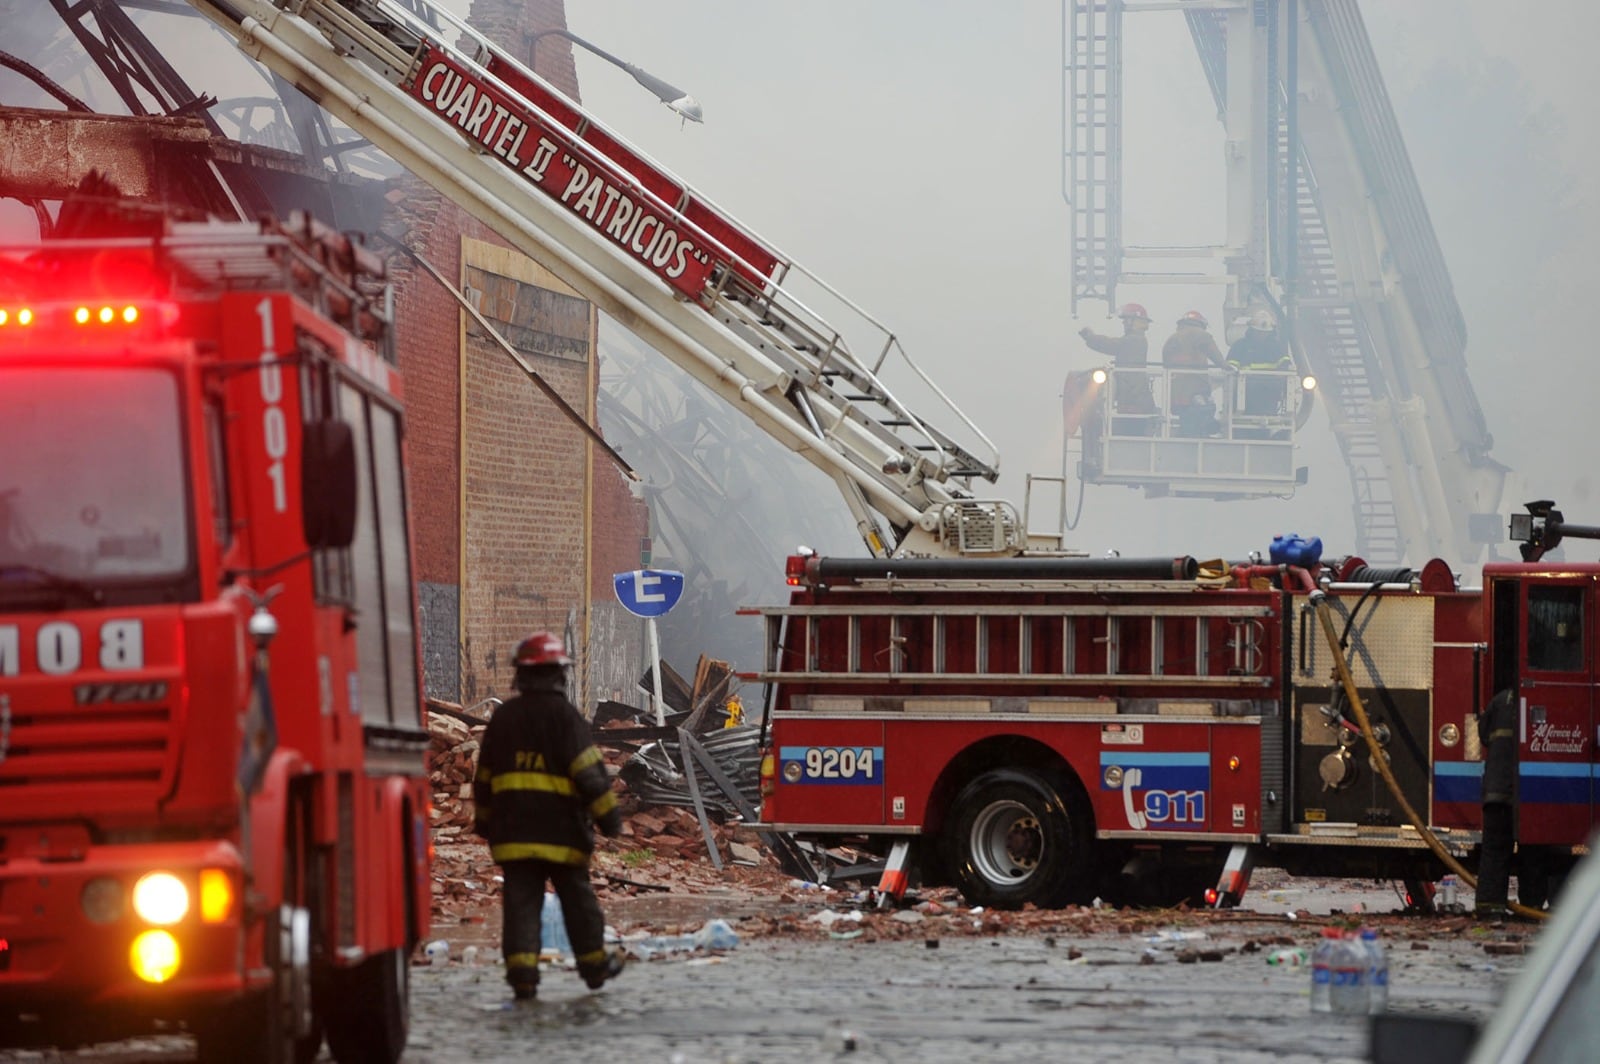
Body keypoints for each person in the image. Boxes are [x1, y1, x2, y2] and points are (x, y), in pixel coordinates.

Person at [474, 632, 625, 1000]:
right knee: (578, 902)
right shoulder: (566, 718)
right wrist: (610, 821)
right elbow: (590, 776)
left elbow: (484, 780)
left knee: (521, 904)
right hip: (562, 836)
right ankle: (594, 968)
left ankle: (523, 975)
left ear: (520, 675)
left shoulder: (504, 719)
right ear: (560, 674)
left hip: (513, 836)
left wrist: (484, 822)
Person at [1078, 302, 1157, 437]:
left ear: (1136, 321)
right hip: (1133, 397)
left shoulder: (1135, 340)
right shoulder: (1135, 339)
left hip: (1134, 398)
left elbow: (1112, 345)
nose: (1124, 323)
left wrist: (1091, 337)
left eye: (1127, 320)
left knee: (1130, 432)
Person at [1474, 686, 1518, 916]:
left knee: (1493, 851)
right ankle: (1531, 905)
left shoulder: (1499, 700)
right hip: (1523, 793)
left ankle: (1488, 906)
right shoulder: (1535, 698)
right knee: (1534, 853)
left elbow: (1482, 735)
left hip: (1495, 791)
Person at [1226, 308, 1293, 435]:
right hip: (1244, 397)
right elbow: (1230, 368)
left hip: (1267, 398)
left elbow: (1286, 366)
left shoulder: (1276, 348)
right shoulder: (1240, 346)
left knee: (1262, 431)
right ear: (1252, 330)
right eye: (1258, 332)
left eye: (1264, 333)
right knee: (1241, 430)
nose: (1261, 335)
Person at [1162, 310, 1229, 437]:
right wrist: (1225, 365)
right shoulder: (1201, 334)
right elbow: (1214, 354)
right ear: (1200, 324)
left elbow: (1166, 364)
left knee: (1186, 422)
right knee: (1201, 420)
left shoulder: (1171, 339)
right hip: (1195, 390)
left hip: (1176, 394)